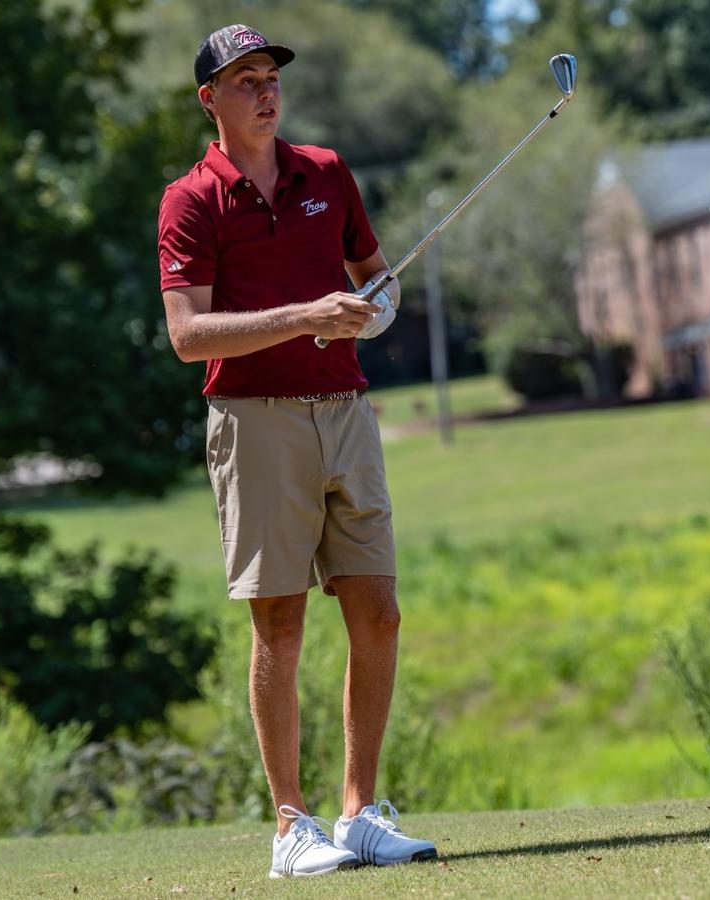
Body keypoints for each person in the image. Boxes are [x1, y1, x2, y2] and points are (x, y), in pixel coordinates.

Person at [156, 24, 436, 879]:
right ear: (211, 100)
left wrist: (371, 305)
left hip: (344, 411)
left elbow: (378, 280)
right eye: (243, 80)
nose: (264, 91)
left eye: (270, 75)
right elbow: (187, 335)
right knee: (278, 619)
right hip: (254, 420)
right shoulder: (191, 199)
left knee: (378, 609)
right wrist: (304, 316)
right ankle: (290, 830)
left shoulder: (328, 172)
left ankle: (359, 815)